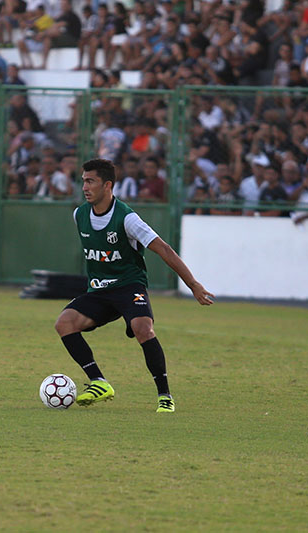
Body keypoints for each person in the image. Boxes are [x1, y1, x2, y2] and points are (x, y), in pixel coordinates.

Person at [54, 158, 214, 413]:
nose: (84, 187)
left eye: (90, 181)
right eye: (83, 181)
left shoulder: (127, 219)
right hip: (99, 290)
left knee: (143, 328)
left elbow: (164, 249)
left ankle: (164, 396)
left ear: (107, 185)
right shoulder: (79, 215)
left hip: (129, 286)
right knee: (64, 323)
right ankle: (99, 382)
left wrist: (193, 284)